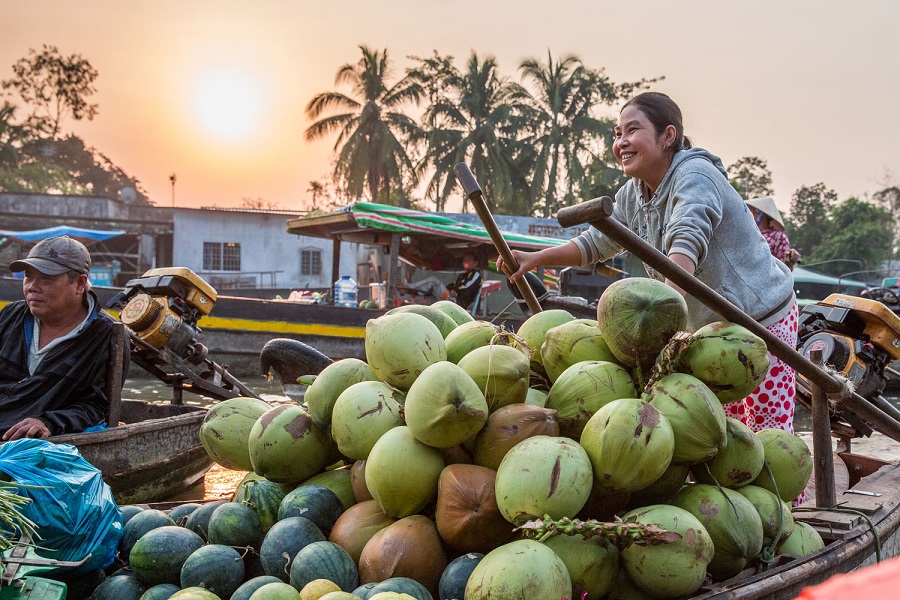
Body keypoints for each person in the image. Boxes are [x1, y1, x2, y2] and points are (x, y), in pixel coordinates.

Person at [497, 92, 800, 435]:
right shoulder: (633, 193)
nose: (621, 142)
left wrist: (663, 316)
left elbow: (688, 236)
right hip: (709, 332)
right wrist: (536, 258)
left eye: (632, 130)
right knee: (717, 432)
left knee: (768, 433)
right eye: (617, 134)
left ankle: (786, 493)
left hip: (761, 319)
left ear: (667, 136)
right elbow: (597, 242)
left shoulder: (696, 175)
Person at [0, 236, 122, 440]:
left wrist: (48, 423)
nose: (32, 287)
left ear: (80, 283)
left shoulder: (105, 334)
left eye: (46, 278)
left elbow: (97, 407)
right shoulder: (11, 316)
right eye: (28, 277)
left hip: (29, 442)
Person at [397, 253, 483, 310]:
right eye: (465, 260)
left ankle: (406, 287)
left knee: (433, 281)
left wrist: (456, 291)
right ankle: (408, 291)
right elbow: (451, 285)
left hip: (456, 303)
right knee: (429, 293)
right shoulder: (462, 275)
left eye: (469, 260)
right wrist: (448, 289)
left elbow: (467, 287)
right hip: (449, 299)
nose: (466, 262)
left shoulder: (476, 274)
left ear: (475, 263)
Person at [746, 196, 801, 270]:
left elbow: (784, 269)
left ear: (761, 214)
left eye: (751, 211)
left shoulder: (778, 237)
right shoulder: (749, 234)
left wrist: (790, 261)